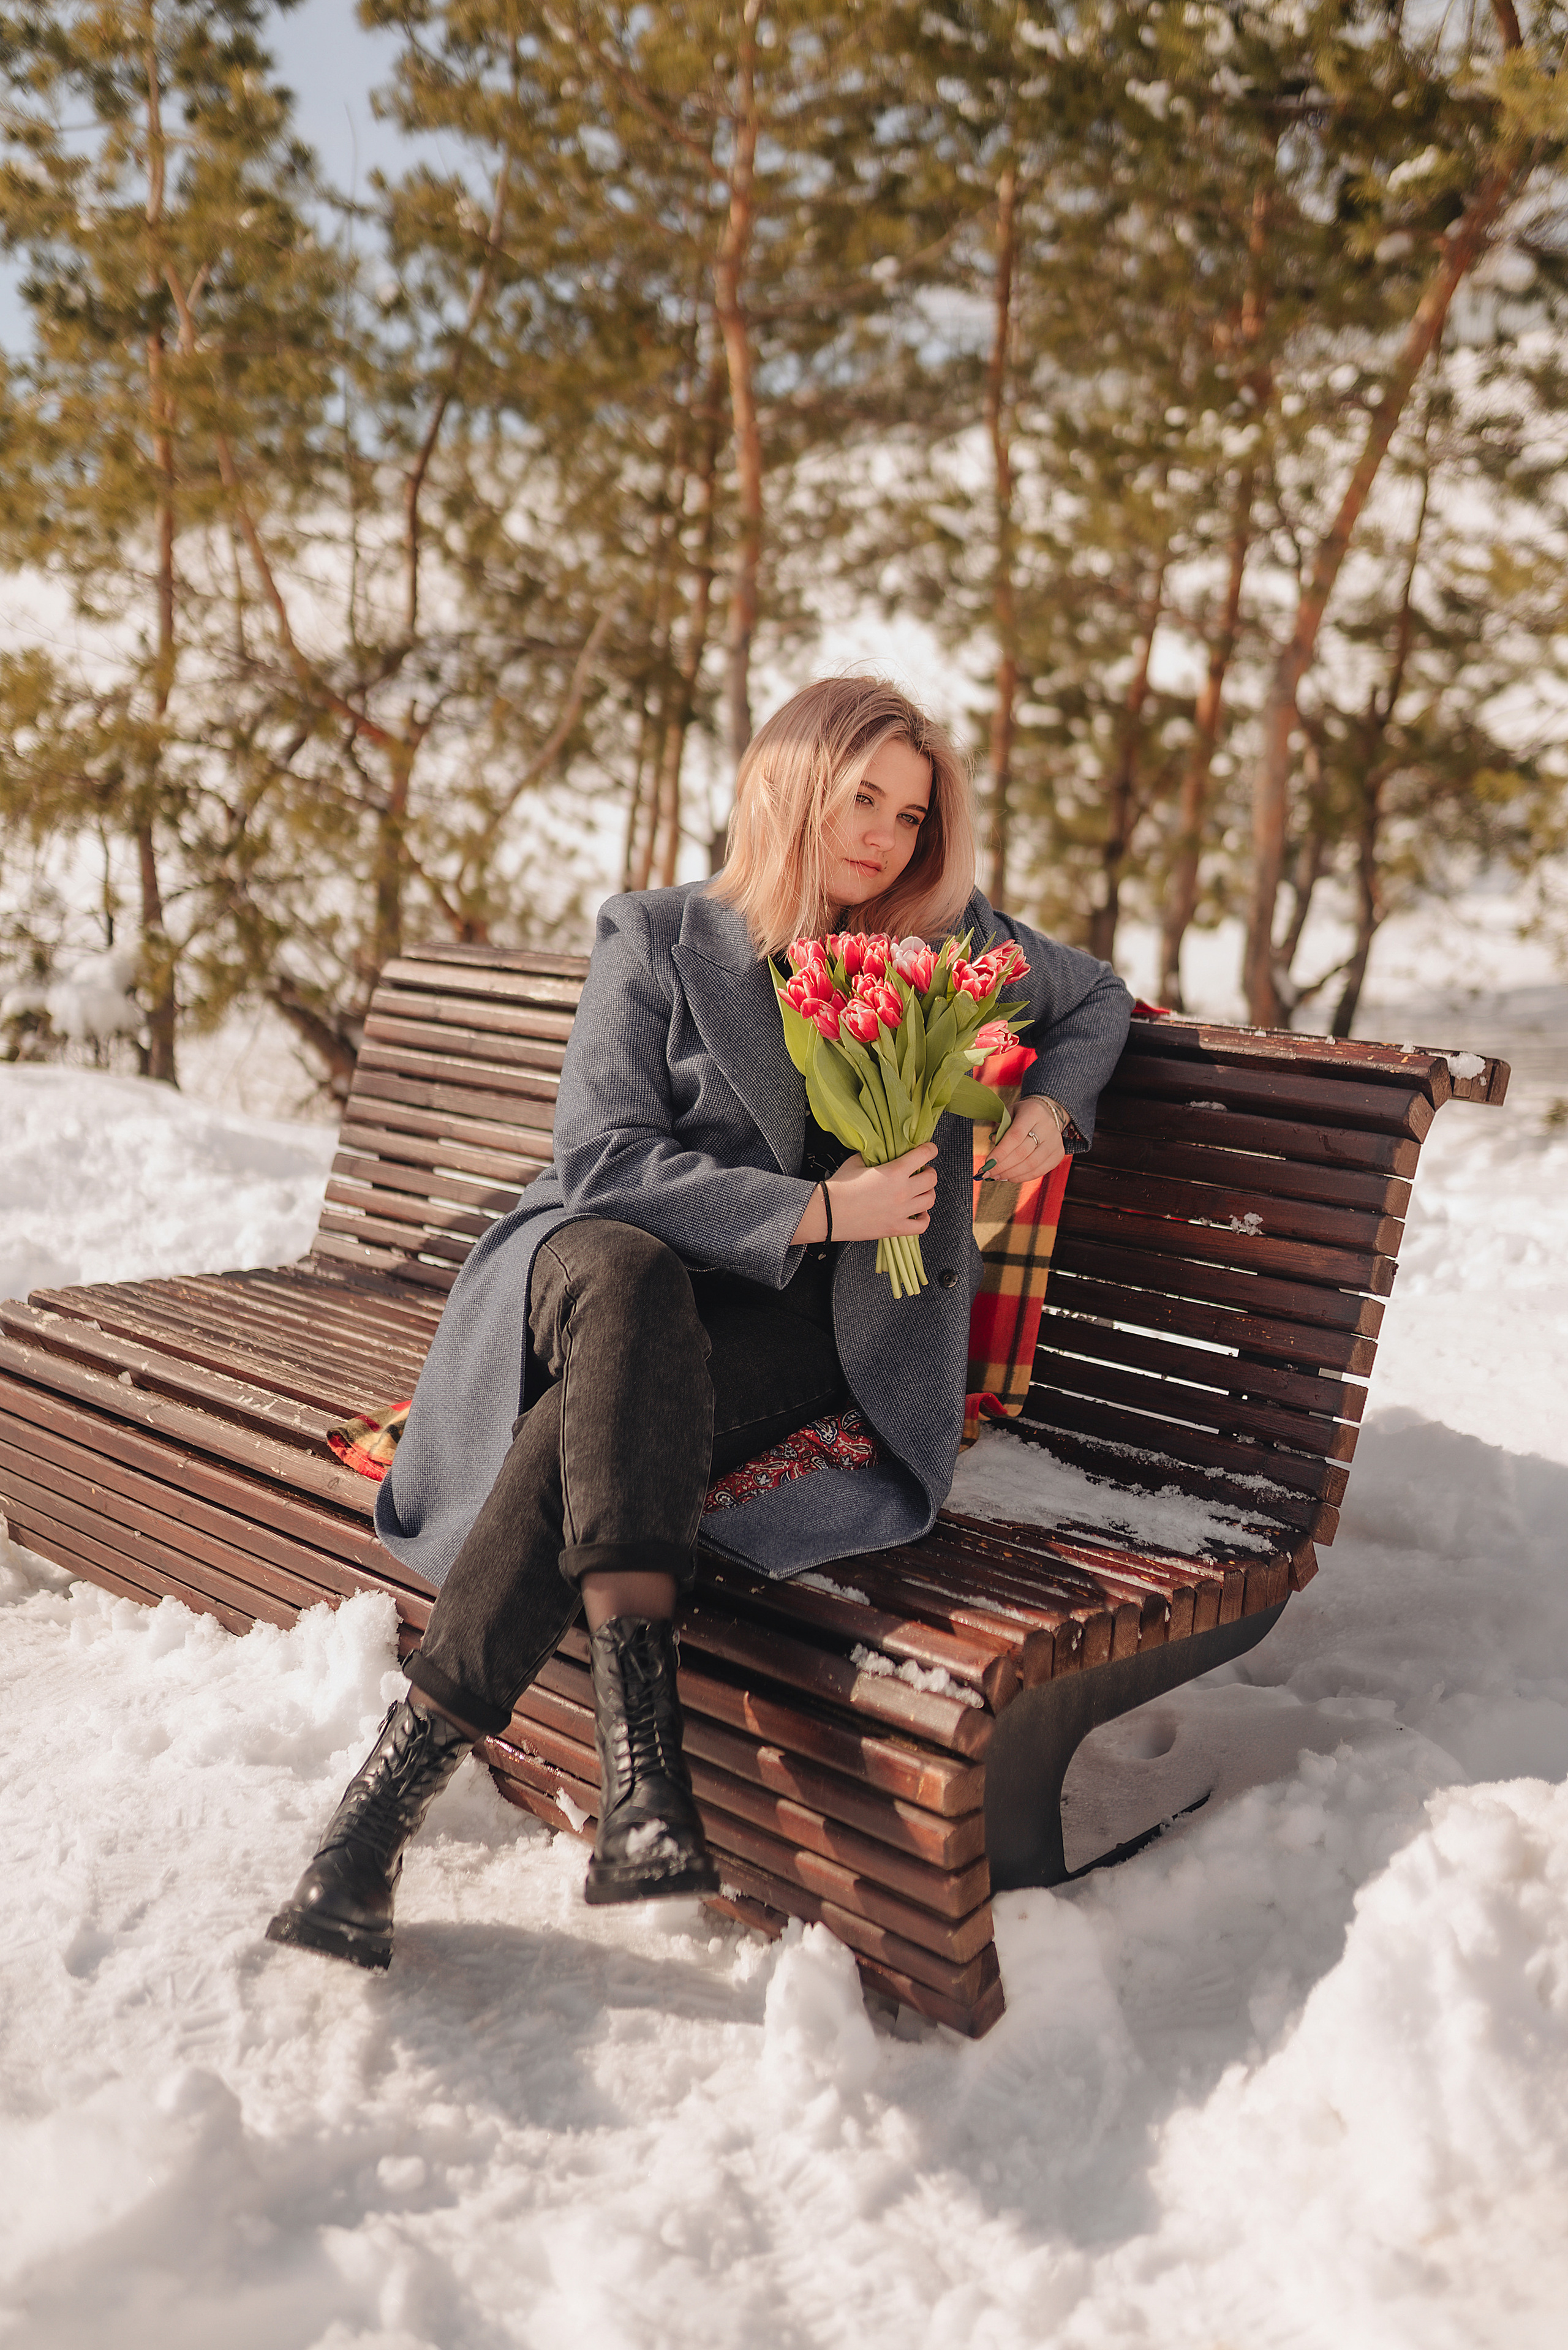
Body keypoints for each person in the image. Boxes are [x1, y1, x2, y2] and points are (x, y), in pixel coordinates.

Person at [266, 676, 1133, 1970]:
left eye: (911, 813)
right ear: (792, 788)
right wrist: (816, 1211)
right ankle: (644, 1749)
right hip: (591, 1262)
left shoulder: (941, 944)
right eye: (863, 800)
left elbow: (1095, 995)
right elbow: (602, 1159)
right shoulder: (660, 934)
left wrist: (1053, 1109)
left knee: (592, 1419)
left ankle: (377, 1817)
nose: (888, 838)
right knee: (628, 1278)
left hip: (791, 1333)